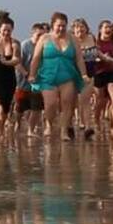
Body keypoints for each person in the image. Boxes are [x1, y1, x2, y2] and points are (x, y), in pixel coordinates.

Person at [28, 13, 87, 142]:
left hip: (68, 76)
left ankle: (64, 131)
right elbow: (36, 58)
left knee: (67, 104)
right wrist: (32, 74)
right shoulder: (44, 38)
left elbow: (79, 59)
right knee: (51, 105)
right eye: (58, 26)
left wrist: (84, 74)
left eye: (63, 26)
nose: (61, 28)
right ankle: (49, 123)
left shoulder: (72, 39)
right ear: (52, 25)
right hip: (47, 77)